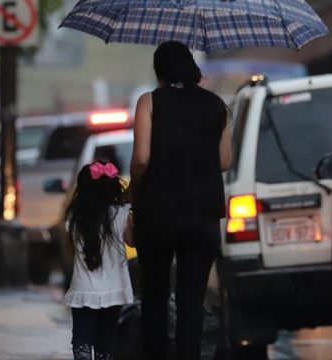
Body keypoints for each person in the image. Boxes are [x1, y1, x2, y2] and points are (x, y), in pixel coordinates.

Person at [129, 41, 233, 360]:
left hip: (157, 213)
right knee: (192, 301)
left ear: (159, 71)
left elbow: (142, 157)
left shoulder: (149, 102)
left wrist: (134, 189)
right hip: (202, 215)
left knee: (155, 296)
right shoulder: (218, 106)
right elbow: (225, 161)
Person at [63, 161, 134, 360]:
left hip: (83, 288)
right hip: (114, 289)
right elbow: (132, 241)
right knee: (106, 340)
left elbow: (70, 252)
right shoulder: (120, 214)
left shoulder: (74, 216)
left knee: (82, 338)